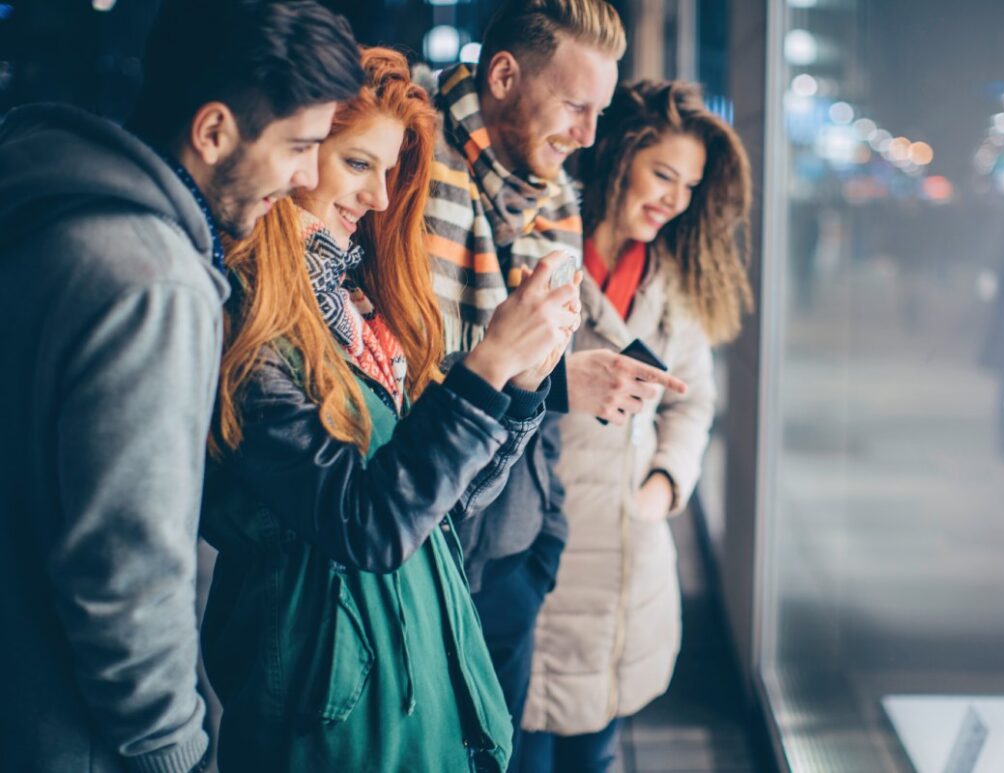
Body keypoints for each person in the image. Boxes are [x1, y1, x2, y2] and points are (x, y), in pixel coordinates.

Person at [0, 1, 361, 771]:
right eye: (298, 146)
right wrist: (175, 752)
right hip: (80, 735)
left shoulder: (46, 205)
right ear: (213, 131)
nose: (306, 178)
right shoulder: (155, 281)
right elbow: (130, 571)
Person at [199, 47, 581, 773]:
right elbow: (365, 522)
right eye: (356, 164)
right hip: (328, 704)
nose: (379, 198)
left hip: (412, 678)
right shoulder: (247, 313)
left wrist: (523, 385)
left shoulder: (357, 305)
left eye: (391, 171)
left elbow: (445, 500)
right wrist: (487, 368)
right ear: (299, 155)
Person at [424, 3, 687, 764]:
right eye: (576, 105)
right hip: (437, 552)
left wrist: (548, 532)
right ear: (503, 76)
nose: (586, 135)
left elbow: (530, 373)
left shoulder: (553, 197)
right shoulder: (420, 170)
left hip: (519, 543)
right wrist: (563, 379)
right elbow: (407, 372)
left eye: (599, 113)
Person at [518, 80, 753, 771]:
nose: (674, 200)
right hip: (542, 551)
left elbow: (693, 401)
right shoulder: (542, 256)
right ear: (620, 154)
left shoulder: (674, 278)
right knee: (520, 748)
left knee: (596, 749)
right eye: (662, 174)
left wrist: (663, 482)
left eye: (689, 185)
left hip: (631, 554)